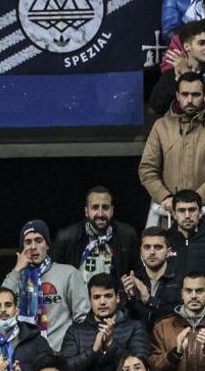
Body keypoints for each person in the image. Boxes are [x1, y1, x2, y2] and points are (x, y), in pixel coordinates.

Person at [60, 273, 150, 371]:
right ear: (90, 300)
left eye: (108, 296)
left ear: (118, 297)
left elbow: (140, 369)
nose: (102, 302)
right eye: (96, 297)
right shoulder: (75, 331)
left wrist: (111, 344)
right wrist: (94, 350)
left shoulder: (134, 327)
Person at [3, 220, 90, 351]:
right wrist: (17, 270)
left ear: (47, 245)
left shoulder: (68, 273)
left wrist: (72, 349)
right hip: (25, 355)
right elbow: (1, 309)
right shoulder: (15, 277)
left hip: (60, 353)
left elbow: (82, 318)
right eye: (28, 242)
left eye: (38, 240)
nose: (33, 247)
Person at [141, 73, 205, 220]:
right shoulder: (161, 126)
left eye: (195, 94)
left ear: (203, 95)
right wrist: (165, 197)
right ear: (177, 95)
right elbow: (147, 169)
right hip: (169, 215)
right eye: (185, 94)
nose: (189, 100)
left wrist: (195, 200)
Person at [150, 269, 205, 371]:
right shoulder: (163, 326)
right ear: (182, 293)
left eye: (199, 291)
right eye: (189, 291)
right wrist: (175, 353)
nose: (194, 295)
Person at [52, 187, 140, 283]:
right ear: (86, 211)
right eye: (95, 207)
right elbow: (55, 278)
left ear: (112, 210)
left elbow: (138, 273)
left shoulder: (127, 236)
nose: (100, 214)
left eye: (105, 207)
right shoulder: (66, 238)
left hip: (115, 296)